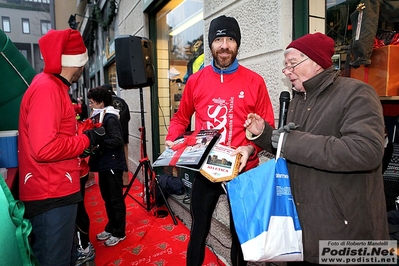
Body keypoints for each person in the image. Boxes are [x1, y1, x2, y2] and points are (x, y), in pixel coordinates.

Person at [244, 32, 389, 264]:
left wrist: (289, 141)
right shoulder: (297, 101)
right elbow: (296, 151)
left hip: (349, 235)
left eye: (292, 64)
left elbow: (366, 151)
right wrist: (265, 134)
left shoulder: (358, 93)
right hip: (307, 229)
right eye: (285, 66)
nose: (287, 71)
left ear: (317, 62)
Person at [165, 15, 275, 266]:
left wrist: (249, 148)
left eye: (230, 39)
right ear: (210, 44)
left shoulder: (255, 81)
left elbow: (267, 129)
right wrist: (172, 140)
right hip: (206, 169)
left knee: (240, 237)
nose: (224, 45)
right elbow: (180, 119)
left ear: (237, 44)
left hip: (243, 170)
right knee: (199, 230)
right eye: (218, 39)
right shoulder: (195, 80)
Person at [18, 29, 105, 266]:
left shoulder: (51, 87)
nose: (84, 69)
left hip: (55, 189)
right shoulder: (48, 89)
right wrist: (87, 140)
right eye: (83, 63)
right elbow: (43, 148)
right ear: (75, 63)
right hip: (51, 193)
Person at [87, 85, 128, 247]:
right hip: (105, 163)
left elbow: (117, 140)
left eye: (92, 102)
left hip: (112, 163)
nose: (90, 105)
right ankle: (111, 227)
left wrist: (97, 142)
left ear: (101, 102)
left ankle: (119, 232)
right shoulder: (100, 115)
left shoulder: (110, 118)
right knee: (107, 198)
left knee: (115, 199)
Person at [103, 84, 131, 186]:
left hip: (112, 135)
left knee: (114, 157)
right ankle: (126, 180)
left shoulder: (106, 102)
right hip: (124, 133)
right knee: (125, 157)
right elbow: (128, 116)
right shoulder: (122, 101)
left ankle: (115, 181)